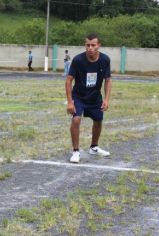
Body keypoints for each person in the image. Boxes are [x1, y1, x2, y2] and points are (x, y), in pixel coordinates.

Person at [65, 33, 112, 163]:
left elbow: (108, 80)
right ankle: (75, 151)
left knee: (98, 121)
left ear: (99, 46)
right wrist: (70, 102)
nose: (90, 47)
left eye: (93, 45)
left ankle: (94, 147)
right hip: (79, 96)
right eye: (88, 45)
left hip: (95, 97)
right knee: (76, 119)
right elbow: (69, 80)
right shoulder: (78, 60)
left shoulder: (105, 60)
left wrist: (106, 99)